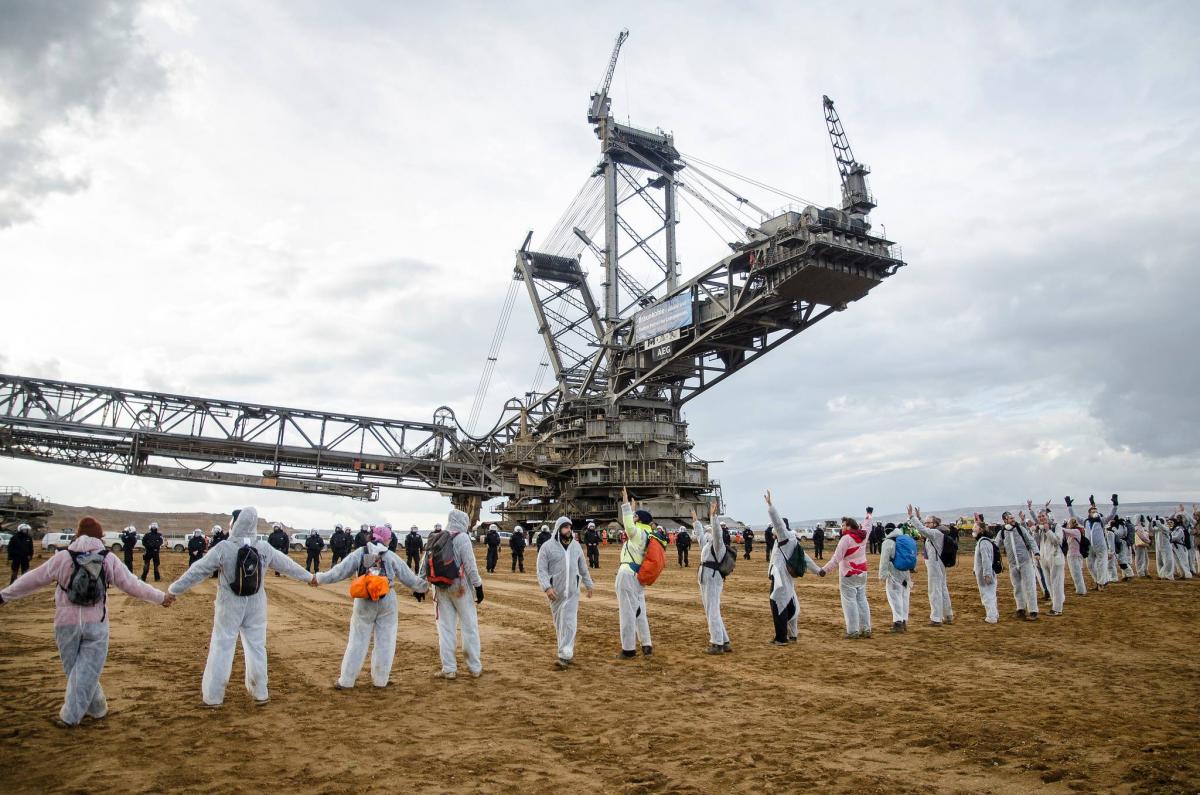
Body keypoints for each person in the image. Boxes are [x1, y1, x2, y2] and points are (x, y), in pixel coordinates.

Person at [0, 516, 174, 727]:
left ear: (77, 534)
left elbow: (34, 578)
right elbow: (131, 584)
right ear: (100, 537)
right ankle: (87, 712)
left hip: (66, 622)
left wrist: (5, 595)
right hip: (96, 622)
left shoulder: (63, 557)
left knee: (76, 669)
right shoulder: (107, 558)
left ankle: (80, 713)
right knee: (86, 670)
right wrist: (160, 597)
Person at [167, 506, 313, 706]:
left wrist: (174, 590)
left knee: (222, 645)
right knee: (257, 647)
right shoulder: (263, 548)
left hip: (230, 604)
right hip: (256, 603)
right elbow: (287, 565)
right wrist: (310, 577)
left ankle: (213, 696)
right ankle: (260, 692)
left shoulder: (224, 548)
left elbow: (197, 571)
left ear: (235, 524)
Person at [316, 525, 428, 689]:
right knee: (386, 641)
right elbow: (408, 577)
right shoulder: (390, 556)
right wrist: (423, 587)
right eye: (389, 538)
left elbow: (340, 571)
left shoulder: (360, 553)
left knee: (357, 640)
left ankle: (346, 681)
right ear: (386, 539)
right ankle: (380, 680)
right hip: (387, 598)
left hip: (364, 599)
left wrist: (319, 578)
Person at [421, 509, 484, 679]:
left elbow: (424, 563)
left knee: (445, 628)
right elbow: (470, 565)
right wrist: (478, 586)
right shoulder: (462, 537)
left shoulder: (437, 536)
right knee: (469, 626)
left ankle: (449, 668)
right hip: (460, 587)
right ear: (463, 521)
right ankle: (474, 667)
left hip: (440, 588)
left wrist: (420, 586)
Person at [536, 516, 593, 669]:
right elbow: (541, 569)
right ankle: (565, 650)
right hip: (556, 593)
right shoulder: (547, 547)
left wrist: (589, 584)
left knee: (569, 622)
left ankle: (565, 655)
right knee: (559, 624)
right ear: (559, 528)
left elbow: (583, 567)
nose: (568, 530)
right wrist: (547, 587)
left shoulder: (576, 546)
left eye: (570, 527)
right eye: (565, 527)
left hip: (573, 591)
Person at [764, 492, 820, 645]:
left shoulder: (785, 537)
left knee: (778, 606)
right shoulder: (790, 541)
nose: (774, 531)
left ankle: (781, 638)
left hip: (780, 579)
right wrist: (818, 570)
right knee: (787, 603)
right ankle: (791, 635)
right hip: (783, 578)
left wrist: (770, 506)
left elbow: (778, 523)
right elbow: (805, 558)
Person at [819, 510, 872, 639]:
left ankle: (853, 631)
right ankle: (866, 629)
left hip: (848, 574)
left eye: (843, 525)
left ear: (848, 526)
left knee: (850, 602)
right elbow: (867, 525)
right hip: (862, 573)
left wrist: (824, 570)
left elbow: (836, 558)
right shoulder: (863, 535)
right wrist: (869, 514)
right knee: (862, 600)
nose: (841, 527)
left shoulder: (846, 539)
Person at [614, 487, 654, 659]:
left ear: (640, 520)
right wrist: (631, 508)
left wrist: (625, 505)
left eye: (636, 515)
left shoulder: (638, 534)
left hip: (627, 574)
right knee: (639, 611)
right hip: (638, 576)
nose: (633, 516)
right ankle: (646, 644)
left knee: (627, 613)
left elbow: (629, 527)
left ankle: (628, 649)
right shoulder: (648, 534)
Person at [694, 501, 731, 654]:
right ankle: (724, 640)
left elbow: (716, 532)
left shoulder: (718, 545)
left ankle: (717, 643)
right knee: (712, 609)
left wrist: (714, 517)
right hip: (706, 578)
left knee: (712, 610)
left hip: (712, 578)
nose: (708, 532)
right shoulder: (707, 546)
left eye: (709, 530)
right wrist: (696, 522)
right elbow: (700, 538)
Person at [909, 505, 954, 626]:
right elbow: (924, 527)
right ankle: (948, 615)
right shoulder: (937, 531)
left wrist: (912, 517)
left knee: (934, 591)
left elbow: (923, 530)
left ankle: (936, 618)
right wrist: (919, 517)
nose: (926, 524)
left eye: (928, 522)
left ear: (934, 524)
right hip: (938, 564)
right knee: (942, 588)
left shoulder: (935, 533)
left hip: (935, 565)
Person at [997, 511, 1040, 621]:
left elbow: (1030, 540)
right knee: (1017, 587)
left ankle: (1033, 611)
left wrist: (1036, 553)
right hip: (1012, 564)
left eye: (1012, 518)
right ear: (1005, 520)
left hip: (1025, 562)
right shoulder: (1002, 532)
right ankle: (1020, 609)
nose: (1012, 520)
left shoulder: (1021, 529)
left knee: (1029, 586)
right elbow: (996, 545)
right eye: (1010, 518)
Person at [1068, 495, 1112, 590]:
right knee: (1090, 565)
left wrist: (1115, 505)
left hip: (1101, 546)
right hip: (1090, 547)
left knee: (1101, 565)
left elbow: (1111, 515)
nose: (1095, 513)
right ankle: (1098, 581)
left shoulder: (1101, 521)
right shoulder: (1085, 522)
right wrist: (1069, 506)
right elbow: (1074, 516)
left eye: (1096, 511)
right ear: (1089, 513)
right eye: (1093, 512)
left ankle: (1101, 583)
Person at [878, 522, 913, 632]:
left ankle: (898, 623)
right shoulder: (903, 539)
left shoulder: (888, 542)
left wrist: (882, 576)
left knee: (894, 597)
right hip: (906, 573)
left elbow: (884, 560)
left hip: (894, 572)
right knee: (904, 597)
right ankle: (903, 621)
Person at [1031, 504, 1065, 616]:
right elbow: (1035, 543)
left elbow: (1057, 541)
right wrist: (1036, 532)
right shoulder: (1040, 529)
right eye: (1039, 516)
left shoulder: (1056, 526)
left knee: (1057, 584)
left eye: (1043, 516)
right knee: (1049, 584)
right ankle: (1055, 604)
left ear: (1047, 516)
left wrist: (1048, 530)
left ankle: (1057, 608)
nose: (1041, 518)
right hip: (1044, 559)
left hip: (1056, 558)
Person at [971, 519, 1000, 624]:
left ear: (981, 530)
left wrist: (987, 574)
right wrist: (975, 569)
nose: (973, 529)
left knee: (987, 596)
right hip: (983, 573)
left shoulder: (983, 542)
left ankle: (991, 617)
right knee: (990, 595)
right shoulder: (983, 541)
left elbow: (986, 559)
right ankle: (994, 614)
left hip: (986, 575)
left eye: (975, 527)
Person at [1062, 517, 1088, 595]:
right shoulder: (1077, 531)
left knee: (1076, 573)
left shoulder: (1075, 531)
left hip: (1074, 556)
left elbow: (1064, 530)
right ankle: (1080, 589)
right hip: (1076, 555)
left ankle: (1081, 590)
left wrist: (1056, 526)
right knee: (1077, 573)